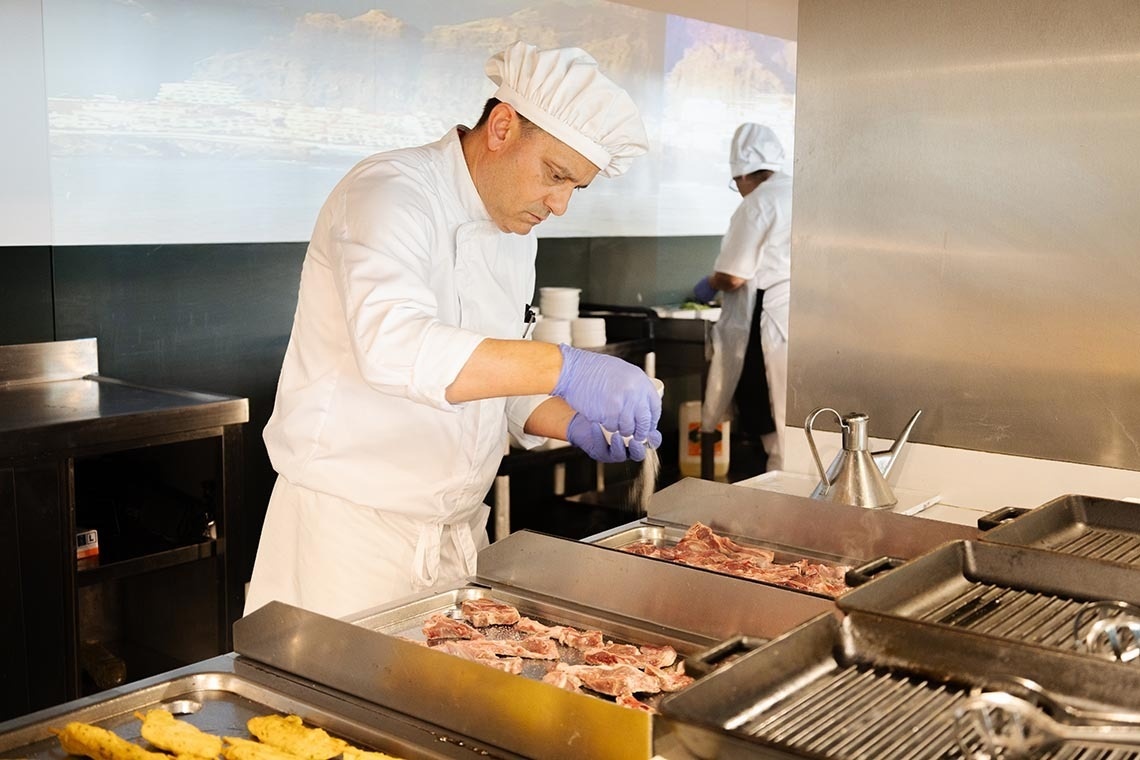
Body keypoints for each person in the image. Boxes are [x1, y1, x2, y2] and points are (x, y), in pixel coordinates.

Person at [244, 42, 661, 619]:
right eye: (555, 175)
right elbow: (397, 349)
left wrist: (574, 421)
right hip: (347, 543)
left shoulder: (515, 231)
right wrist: (568, 366)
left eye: (577, 188)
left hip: (458, 538)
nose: (561, 204)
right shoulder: (389, 194)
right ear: (502, 126)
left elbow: (489, 380)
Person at [692, 123, 792, 474]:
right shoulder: (800, 191)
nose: (738, 190)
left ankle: (780, 500)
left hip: (768, 320)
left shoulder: (759, 201)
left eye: (736, 182)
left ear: (745, 174)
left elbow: (734, 275)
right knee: (791, 419)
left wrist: (709, 283)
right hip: (805, 316)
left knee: (771, 419)